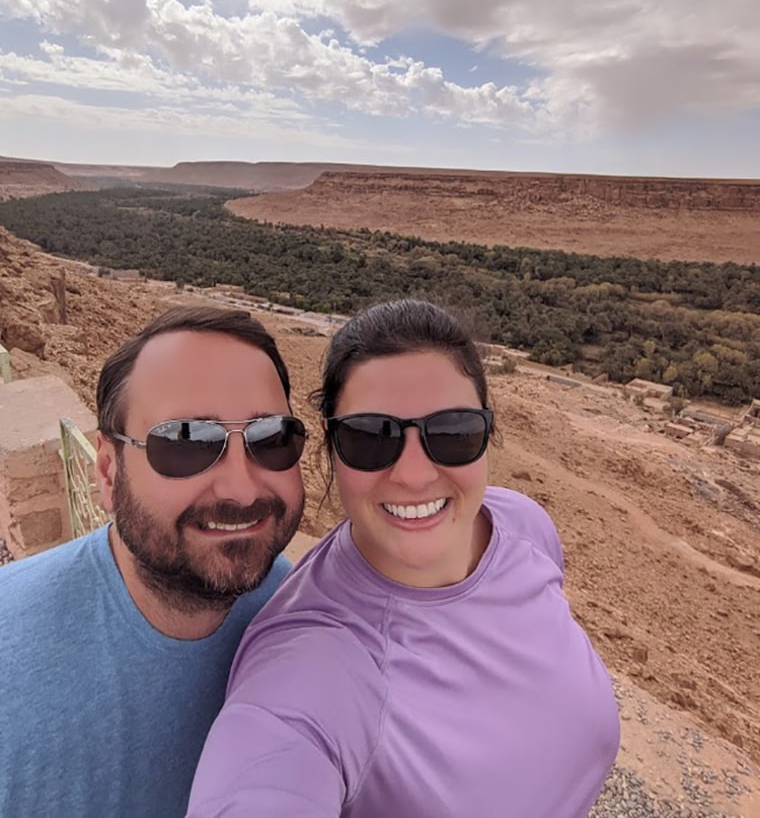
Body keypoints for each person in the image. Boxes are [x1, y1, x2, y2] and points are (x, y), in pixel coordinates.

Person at [188, 299, 620, 818]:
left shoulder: (523, 525)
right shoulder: (314, 662)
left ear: (487, 435)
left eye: (452, 431)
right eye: (371, 438)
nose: (414, 475)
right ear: (331, 451)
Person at [0, 305, 307, 818]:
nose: (240, 488)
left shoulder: (302, 614)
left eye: (270, 439)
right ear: (107, 470)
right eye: (186, 442)